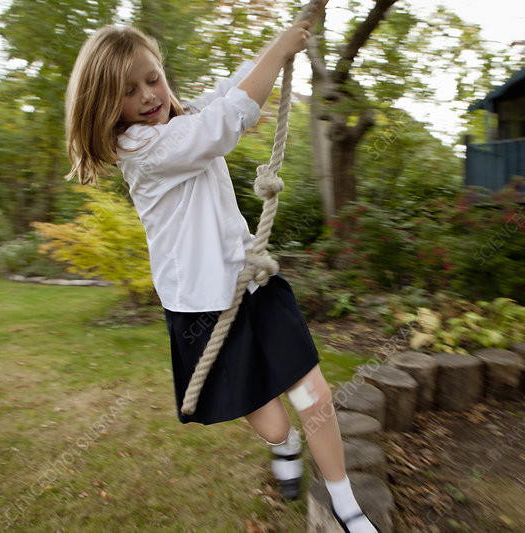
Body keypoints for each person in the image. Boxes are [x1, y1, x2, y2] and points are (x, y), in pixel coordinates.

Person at [64, 20, 379, 533]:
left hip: (252, 283)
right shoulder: (144, 151)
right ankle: (286, 446)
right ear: (106, 105)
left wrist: (278, 44)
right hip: (202, 309)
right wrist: (279, 50)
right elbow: (228, 121)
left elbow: (228, 94)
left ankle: (346, 505)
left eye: (153, 78)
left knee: (313, 396)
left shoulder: (179, 121)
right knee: (275, 423)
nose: (148, 96)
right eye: (128, 91)